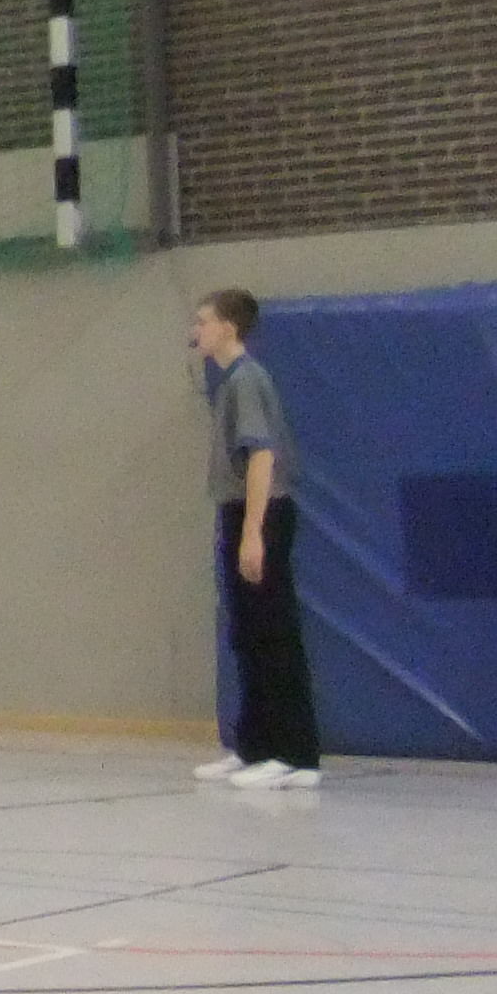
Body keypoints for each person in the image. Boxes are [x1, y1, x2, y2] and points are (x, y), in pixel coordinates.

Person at [191, 288, 323, 790]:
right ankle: (256, 746)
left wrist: (253, 533)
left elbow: (262, 456)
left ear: (228, 327)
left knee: (273, 632)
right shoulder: (228, 383)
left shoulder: (248, 381)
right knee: (248, 633)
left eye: (203, 322)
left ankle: (295, 754)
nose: (195, 332)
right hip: (239, 512)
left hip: (261, 513)